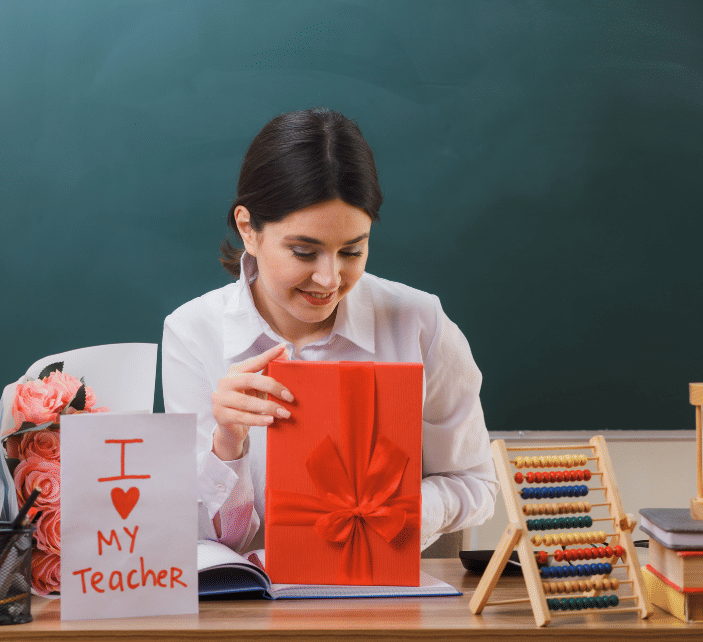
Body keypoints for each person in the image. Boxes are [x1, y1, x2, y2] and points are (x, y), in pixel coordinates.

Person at [162, 108, 498, 553]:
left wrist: (395, 511)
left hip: (383, 602)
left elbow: (473, 484)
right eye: (304, 251)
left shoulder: (419, 323)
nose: (329, 279)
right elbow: (213, 540)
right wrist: (228, 443)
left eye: (352, 251)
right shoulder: (193, 332)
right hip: (247, 610)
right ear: (249, 229)